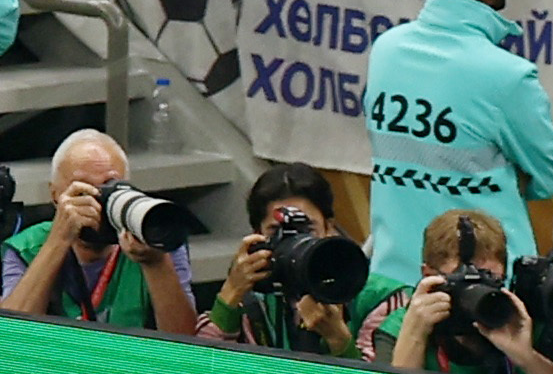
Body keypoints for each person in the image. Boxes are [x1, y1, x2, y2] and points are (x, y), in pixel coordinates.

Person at [358, 0, 553, 290]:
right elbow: (547, 178)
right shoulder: (508, 76)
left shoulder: (386, 50)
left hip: (393, 286)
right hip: (484, 293)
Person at [0, 128, 197, 332]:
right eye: (83, 189)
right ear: (55, 195)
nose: (98, 200)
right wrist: (59, 240)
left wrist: (156, 264)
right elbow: (10, 336)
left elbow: (188, 347)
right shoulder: (27, 248)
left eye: (110, 186)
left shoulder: (153, 235)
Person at [355, 207, 553, 374]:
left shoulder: (519, 320)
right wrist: (414, 335)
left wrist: (526, 357)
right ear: (429, 276)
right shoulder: (403, 322)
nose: (476, 292)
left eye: (489, 278)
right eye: (464, 281)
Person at [201, 164, 362, 354]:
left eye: (307, 229)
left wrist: (338, 338)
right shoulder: (250, 293)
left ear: (329, 227)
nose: (295, 240)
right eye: (277, 231)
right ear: (257, 234)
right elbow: (197, 371)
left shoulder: (372, 293)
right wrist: (231, 292)